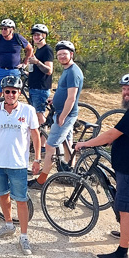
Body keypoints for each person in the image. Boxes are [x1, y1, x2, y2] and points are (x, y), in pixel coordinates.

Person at [75, 74, 129, 258]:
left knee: (126, 212)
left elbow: (111, 135)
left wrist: (86, 143)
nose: (126, 93)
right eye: (124, 89)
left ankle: (122, 253)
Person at [0, 75, 41, 255]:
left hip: (18, 163)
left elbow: (35, 136)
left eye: (14, 92)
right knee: (2, 195)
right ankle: (8, 224)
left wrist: (36, 159)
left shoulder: (28, 110)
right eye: (7, 91)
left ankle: (24, 236)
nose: (10, 95)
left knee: (21, 199)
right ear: (3, 92)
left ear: (19, 93)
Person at [29, 40, 83, 189]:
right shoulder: (68, 70)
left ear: (71, 54)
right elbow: (66, 92)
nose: (61, 57)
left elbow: (72, 97)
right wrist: (56, 99)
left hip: (65, 115)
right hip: (62, 112)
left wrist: (63, 116)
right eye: (59, 55)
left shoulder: (73, 72)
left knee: (51, 147)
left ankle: (41, 181)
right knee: (67, 145)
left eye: (64, 54)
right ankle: (70, 173)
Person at [25, 24, 54, 126]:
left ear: (44, 35)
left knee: (39, 115)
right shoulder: (38, 50)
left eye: (38, 35)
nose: (36, 37)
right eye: (34, 35)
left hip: (40, 88)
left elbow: (49, 70)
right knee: (35, 114)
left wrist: (37, 62)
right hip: (34, 87)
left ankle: (43, 140)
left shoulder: (47, 50)